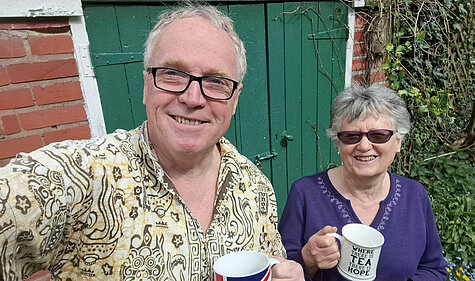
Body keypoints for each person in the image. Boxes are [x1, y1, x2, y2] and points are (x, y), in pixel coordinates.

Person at [0, 4, 304, 281]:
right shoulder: (82, 175)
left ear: (234, 100)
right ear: (146, 86)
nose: (192, 98)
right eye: (172, 74)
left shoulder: (256, 186)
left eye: (216, 81)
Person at [278, 84, 448, 280]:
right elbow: (281, 271)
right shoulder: (305, 194)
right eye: (351, 136)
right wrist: (307, 259)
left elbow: (434, 269)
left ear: (398, 142)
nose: (365, 146)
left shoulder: (414, 195)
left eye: (378, 135)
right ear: (338, 144)